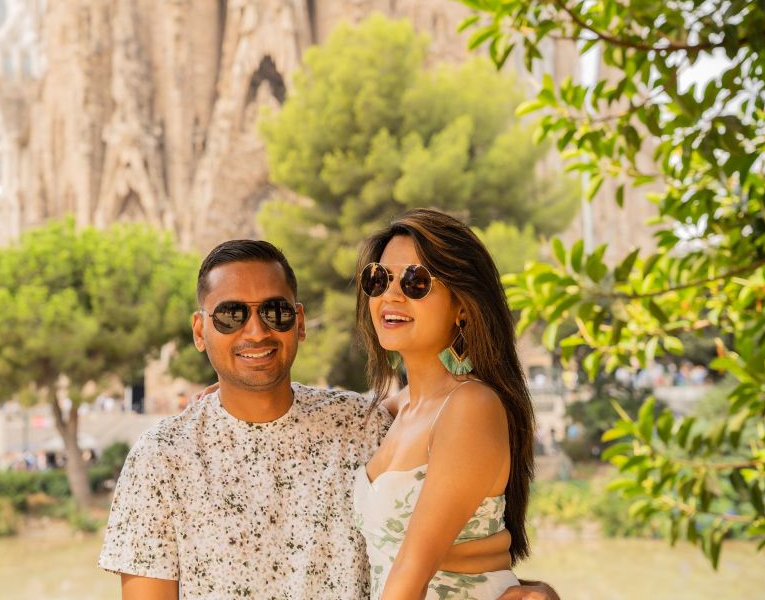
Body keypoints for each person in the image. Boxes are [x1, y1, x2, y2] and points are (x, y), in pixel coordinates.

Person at [99, 239, 556, 600]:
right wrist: (228, 397)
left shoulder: (366, 423)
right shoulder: (162, 458)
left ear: (298, 323)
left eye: (416, 281)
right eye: (231, 316)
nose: (256, 331)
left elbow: (426, 568)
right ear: (201, 331)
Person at [353, 209, 536, 599]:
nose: (391, 294)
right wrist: (233, 392)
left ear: (463, 307)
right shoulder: (395, 410)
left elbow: (410, 576)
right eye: (379, 278)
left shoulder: (470, 406)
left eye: (416, 281)